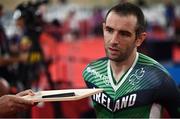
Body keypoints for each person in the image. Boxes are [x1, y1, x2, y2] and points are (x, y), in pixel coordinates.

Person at [83, 2, 180, 118]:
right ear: (103, 29)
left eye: (124, 34)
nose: (113, 40)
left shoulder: (158, 78)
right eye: (109, 30)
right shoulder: (91, 72)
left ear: (139, 39)